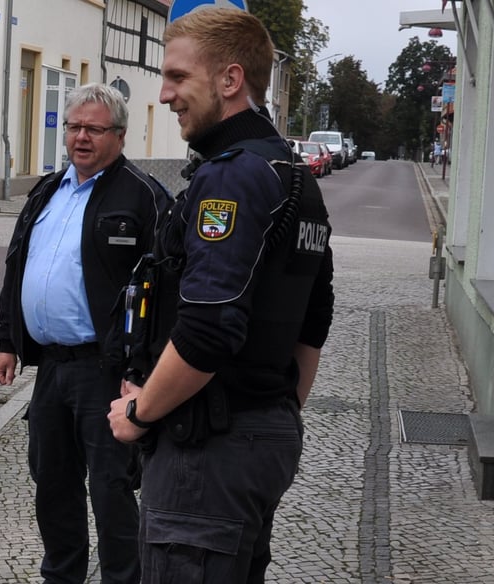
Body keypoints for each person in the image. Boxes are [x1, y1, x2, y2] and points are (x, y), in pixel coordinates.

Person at [107, 8, 335, 583]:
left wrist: (139, 411)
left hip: (207, 450)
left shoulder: (231, 177)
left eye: (178, 78)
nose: (164, 95)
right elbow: (314, 322)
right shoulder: (296, 176)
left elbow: (210, 330)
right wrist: (276, 410)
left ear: (229, 81)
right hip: (257, 438)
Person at [0, 82, 172, 584]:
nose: (81, 138)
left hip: (107, 372)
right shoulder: (48, 190)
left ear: (119, 134)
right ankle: (62, 576)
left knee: (112, 490)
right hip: (50, 368)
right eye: (74, 127)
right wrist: (8, 341)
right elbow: (17, 266)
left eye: (94, 129)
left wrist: (142, 372)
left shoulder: (144, 197)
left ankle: (122, 578)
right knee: (51, 482)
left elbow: (165, 292)